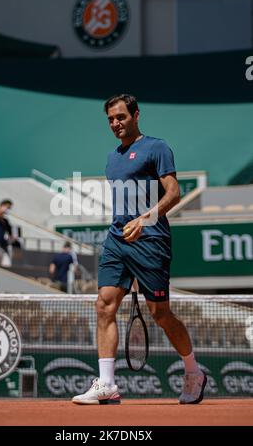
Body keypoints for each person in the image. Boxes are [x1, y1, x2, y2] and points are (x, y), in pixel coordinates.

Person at [72, 94, 207, 405]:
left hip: (151, 241)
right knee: (104, 304)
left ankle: (193, 372)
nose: (116, 124)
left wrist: (145, 221)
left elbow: (173, 194)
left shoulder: (157, 148)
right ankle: (106, 384)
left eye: (121, 117)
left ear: (136, 115)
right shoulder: (112, 158)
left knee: (161, 314)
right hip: (117, 240)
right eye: (110, 120)